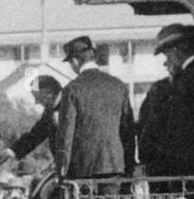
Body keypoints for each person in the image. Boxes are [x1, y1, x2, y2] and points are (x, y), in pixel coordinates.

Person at [55, 37, 136, 181]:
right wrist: (129, 167)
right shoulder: (119, 86)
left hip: (82, 170)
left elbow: (66, 135)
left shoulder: (72, 89)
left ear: (74, 61)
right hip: (115, 167)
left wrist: (61, 171)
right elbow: (128, 130)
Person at [139, 23, 194, 178]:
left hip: (183, 171)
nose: (166, 61)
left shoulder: (186, 80)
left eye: (167, 54)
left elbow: (178, 128)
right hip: (192, 168)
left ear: (178, 49)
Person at [0, 76, 63, 168]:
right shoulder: (50, 110)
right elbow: (36, 135)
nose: (36, 102)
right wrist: (10, 151)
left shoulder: (71, 104)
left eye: (37, 97)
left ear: (49, 92)